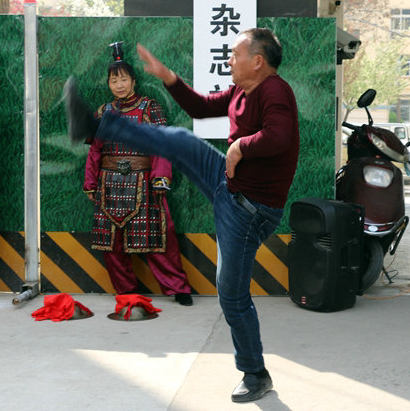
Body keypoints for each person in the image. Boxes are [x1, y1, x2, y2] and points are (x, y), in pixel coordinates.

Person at [65, 27, 299, 402]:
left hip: (249, 210)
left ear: (258, 61)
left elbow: (280, 136)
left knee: (231, 295)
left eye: (235, 54)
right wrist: (168, 77)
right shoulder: (242, 91)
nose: (229, 60)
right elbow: (202, 108)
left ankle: (256, 374)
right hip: (229, 184)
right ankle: (95, 126)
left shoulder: (275, 90)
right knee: (181, 140)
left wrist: (240, 146)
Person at [83, 42, 192, 306]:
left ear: (133, 80)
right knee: (112, 244)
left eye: (123, 79)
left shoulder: (149, 108)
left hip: (144, 182)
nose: (119, 85)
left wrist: (160, 178)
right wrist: (90, 183)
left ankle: (178, 288)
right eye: (114, 80)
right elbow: (95, 151)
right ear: (108, 84)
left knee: (158, 239)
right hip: (108, 184)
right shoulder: (103, 112)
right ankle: (126, 291)